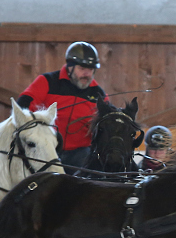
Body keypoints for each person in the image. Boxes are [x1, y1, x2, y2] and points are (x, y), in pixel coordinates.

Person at [16, 41, 108, 171]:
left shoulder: (99, 95)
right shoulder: (47, 81)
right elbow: (23, 106)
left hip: (80, 154)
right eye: (82, 69)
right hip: (45, 149)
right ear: (69, 67)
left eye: (91, 70)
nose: (87, 74)